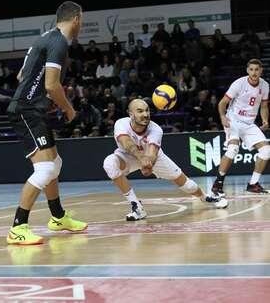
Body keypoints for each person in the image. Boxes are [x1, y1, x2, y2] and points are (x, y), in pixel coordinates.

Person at [6, 1, 87, 245]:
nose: (81, 24)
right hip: (26, 110)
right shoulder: (59, 43)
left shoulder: (45, 38)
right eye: (81, 19)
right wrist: (68, 108)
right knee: (45, 170)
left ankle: (58, 217)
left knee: (54, 163)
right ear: (76, 19)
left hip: (33, 108)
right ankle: (17, 228)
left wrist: (40, 96)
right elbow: (52, 85)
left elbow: (22, 75)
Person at [103, 99, 228, 221]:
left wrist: (148, 164)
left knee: (187, 186)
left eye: (147, 111)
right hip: (128, 156)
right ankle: (137, 207)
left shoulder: (156, 129)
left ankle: (205, 197)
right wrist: (141, 159)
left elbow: (152, 154)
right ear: (131, 114)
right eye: (140, 111)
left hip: (155, 159)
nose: (145, 115)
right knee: (109, 163)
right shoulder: (121, 124)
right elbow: (127, 144)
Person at [212, 59, 270, 196]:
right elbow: (222, 103)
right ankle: (218, 184)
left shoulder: (265, 86)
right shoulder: (239, 83)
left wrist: (265, 120)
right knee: (233, 149)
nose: (254, 72)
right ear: (247, 70)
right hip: (233, 120)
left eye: (257, 69)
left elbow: (264, 106)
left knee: (266, 150)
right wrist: (222, 117)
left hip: (249, 124)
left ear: (261, 70)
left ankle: (253, 184)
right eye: (252, 69)